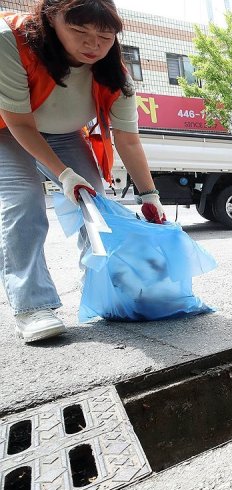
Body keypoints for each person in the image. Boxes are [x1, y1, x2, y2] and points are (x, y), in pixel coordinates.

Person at [0, 0, 167, 342]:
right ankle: (32, 306)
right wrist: (62, 174)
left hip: (63, 134)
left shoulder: (115, 75)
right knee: (24, 202)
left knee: (94, 204)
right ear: (51, 20)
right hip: (7, 130)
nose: (93, 45)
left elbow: (128, 140)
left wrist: (150, 196)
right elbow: (19, 122)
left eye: (105, 36)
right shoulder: (10, 40)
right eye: (79, 31)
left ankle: (102, 286)